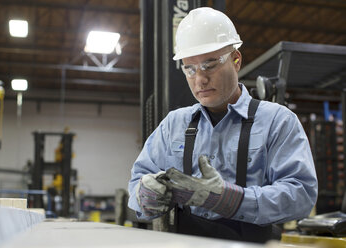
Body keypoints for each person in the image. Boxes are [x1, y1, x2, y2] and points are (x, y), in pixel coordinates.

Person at [128, 7, 317, 243]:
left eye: (210, 64)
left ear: (236, 60)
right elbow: (138, 182)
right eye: (190, 68)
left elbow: (301, 194)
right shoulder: (173, 125)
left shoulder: (277, 121)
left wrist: (231, 200)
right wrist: (145, 196)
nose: (200, 79)